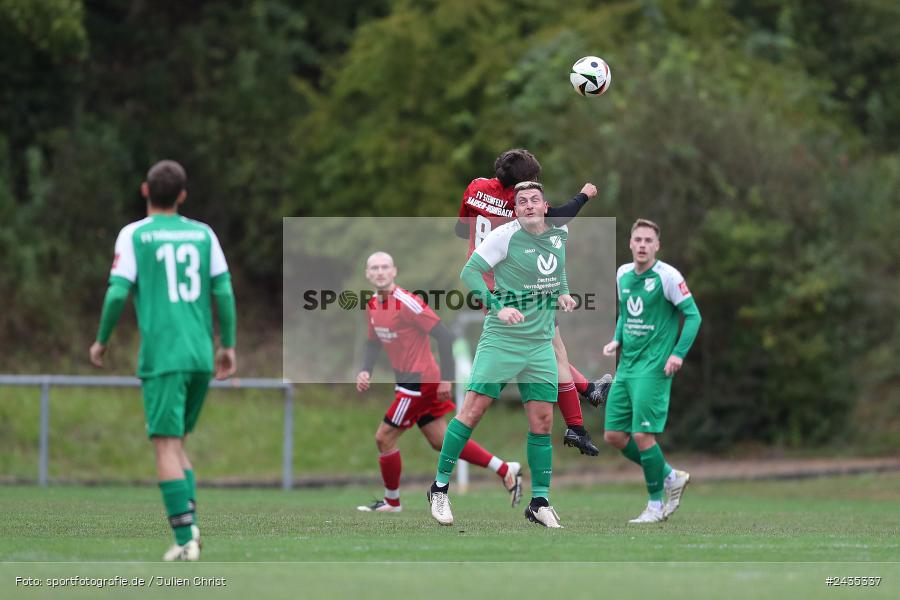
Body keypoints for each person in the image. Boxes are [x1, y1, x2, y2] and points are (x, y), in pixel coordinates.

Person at [89, 160, 237, 560]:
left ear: (144, 191)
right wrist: (227, 345)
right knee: (177, 445)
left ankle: (186, 537)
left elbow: (118, 292)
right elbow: (223, 291)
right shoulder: (204, 234)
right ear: (183, 195)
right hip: (199, 355)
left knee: (165, 446)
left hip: (164, 355)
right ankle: (192, 529)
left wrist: (101, 340)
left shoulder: (134, 235)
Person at [430, 180, 576, 528]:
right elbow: (469, 272)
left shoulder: (559, 235)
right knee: (472, 412)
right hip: (503, 341)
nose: (528, 205)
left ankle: (539, 502)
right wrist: (497, 307)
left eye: (534, 200)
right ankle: (438, 489)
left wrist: (565, 294)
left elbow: (558, 271)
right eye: (521, 201)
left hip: (539, 343)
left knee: (542, 421)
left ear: (545, 206)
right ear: (514, 210)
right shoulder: (504, 236)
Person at [456, 148, 611, 456]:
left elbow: (461, 229)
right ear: (520, 186)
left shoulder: (475, 187)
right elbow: (561, 216)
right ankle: (583, 403)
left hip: (488, 280)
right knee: (551, 349)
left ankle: (586, 396)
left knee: (553, 347)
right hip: (512, 286)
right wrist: (584, 194)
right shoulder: (520, 203)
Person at [356, 252, 522, 513]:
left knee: (384, 437)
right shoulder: (373, 305)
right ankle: (504, 468)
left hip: (419, 382)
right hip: (411, 382)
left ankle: (392, 502)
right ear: (368, 274)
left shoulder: (408, 303)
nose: (379, 272)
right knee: (440, 440)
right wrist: (365, 370)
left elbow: (444, 336)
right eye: (374, 268)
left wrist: (446, 378)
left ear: (394, 271)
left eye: (384, 267)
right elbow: (373, 341)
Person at [601, 218, 701, 523]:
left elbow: (693, 316)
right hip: (627, 366)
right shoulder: (622, 274)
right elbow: (625, 313)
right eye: (638, 240)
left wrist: (678, 355)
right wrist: (617, 338)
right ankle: (670, 475)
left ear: (657, 246)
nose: (643, 245)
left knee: (643, 435)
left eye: (649, 240)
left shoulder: (668, 277)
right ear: (630, 244)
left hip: (654, 367)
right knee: (614, 435)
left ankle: (655, 506)